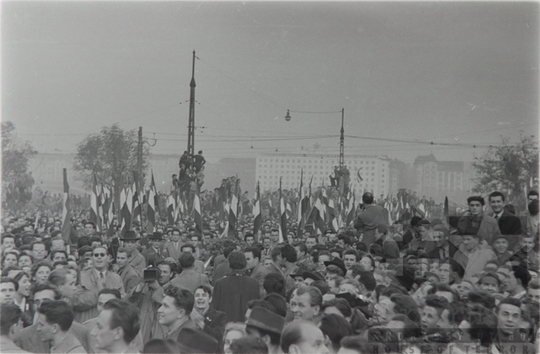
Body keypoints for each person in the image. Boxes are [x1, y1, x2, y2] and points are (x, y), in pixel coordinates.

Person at [76, 246, 125, 323]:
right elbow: (76, 301)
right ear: (92, 259)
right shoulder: (82, 276)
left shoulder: (116, 278)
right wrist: (98, 291)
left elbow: (122, 302)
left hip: (110, 323)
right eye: (96, 255)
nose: (99, 257)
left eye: (102, 255)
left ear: (108, 258)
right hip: (87, 322)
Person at [212, 251, 260, 323]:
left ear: (229, 264)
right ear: (245, 264)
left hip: (225, 326)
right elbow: (256, 309)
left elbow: (214, 309)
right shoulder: (254, 283)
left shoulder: (220, 283)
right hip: (246, 327)